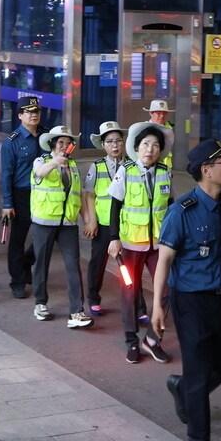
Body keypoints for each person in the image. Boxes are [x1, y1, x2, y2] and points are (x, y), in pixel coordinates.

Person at [151, 139, 221, 441]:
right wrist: (159, 306)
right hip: (189, 299)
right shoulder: (182, 211)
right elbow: (164, 261)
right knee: (200, 370)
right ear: (206, 170)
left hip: (218, 297)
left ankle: (183, 387)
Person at [107, 121, 174, 365]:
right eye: (145, 144)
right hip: (130, 246)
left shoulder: (165, 173)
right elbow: (114, 206)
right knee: (129, 292)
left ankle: (153, 340)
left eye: (155, 145)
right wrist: (114, 238)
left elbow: (169, 207)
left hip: (158, 246)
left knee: (166, 291)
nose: (150, 149)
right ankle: (131, 340)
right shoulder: (126, 171)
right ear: (136, 147)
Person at [26, 125, 93, 328]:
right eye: (60, 142)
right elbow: (39, 173)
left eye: (68, 143)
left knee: (73, 265)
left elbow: (77, 196)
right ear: (52, 144)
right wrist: (55, 163)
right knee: (41, 263)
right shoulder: (42, 160)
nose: (64, 146)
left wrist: (88, 219)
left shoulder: (73, 167)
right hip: (44, 222)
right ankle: (40, 303)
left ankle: (77, 311)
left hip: (68, 224)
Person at [82, 120, 128, 317]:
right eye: (110, 142)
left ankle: (137, 304)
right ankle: (93, 298)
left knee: (128, 265)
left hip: (126, 224)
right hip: (103, 223)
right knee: (97, 262)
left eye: (118, 141)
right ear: (103, 145)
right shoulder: (97, 167)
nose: (115, 145)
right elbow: (88, 195)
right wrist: (90, 220)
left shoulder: (130, 165)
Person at [0, 95, 42, 299]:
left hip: (44, 195)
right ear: (20, 116)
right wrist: (7, 202)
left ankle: (26, 262)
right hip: (21, 194)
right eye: (29, 112)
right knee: (18, 238)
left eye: (36, 112)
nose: (33, 115)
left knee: (47, 235)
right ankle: (16, 281)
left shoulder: (45, 138)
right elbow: (6, 174)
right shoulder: (12, 142)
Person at [145, 99, 175, 170]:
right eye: (158, 113)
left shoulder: (169, 128)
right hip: (149, 167)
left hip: (166, 168)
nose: (162, 116)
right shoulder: (145, 128)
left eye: (164, 113)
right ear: (151, 113)